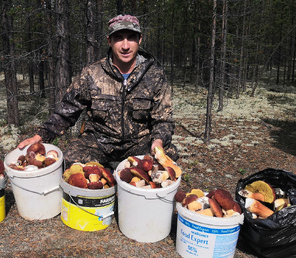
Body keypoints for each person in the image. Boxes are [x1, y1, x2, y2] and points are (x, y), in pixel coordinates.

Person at [17, 14, 178, 169]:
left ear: (140, 39)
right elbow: (66, 112)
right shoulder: (92, 74)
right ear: (109, 41)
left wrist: (158, 141)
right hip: (99, 143)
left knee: (168, 157)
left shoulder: (154, 75)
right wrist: (41, 135)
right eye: (118, 38)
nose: (125, 45)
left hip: (139, 143)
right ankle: (105, 179)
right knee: (71, 157)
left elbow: (163, 120)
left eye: (131, 37)